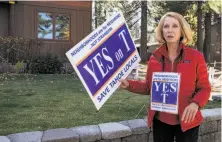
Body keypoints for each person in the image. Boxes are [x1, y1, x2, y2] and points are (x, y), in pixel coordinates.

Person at [119, 12, 211, 142]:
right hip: (161, 122)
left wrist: (195, 104)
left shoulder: (195, 57)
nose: (170, 30)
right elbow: (148, 87)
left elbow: (205, 88)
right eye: (166, 26)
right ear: (162, 31)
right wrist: (129, 84)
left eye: (175, 26)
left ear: (182, 31)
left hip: (187, 122)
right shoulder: (154, 58)